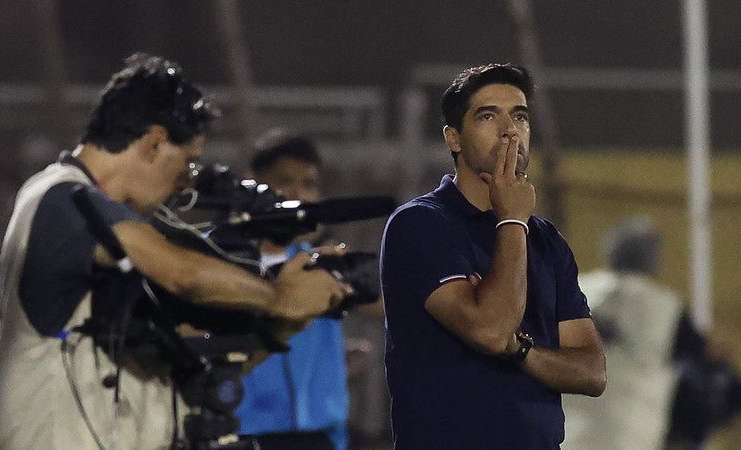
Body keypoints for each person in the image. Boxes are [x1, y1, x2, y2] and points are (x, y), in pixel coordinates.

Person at [0, 54, 351, 450]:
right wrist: (279, 296)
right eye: (188, 163)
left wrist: (284, 326)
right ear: (155, 143)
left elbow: (193, 383)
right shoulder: (59, 199)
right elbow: (186, 276)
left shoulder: (112, 250)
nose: (184, 184)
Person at [379, 63, 606, 449]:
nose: (509, 130)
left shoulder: (547, 240)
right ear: (454, 138)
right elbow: (491, 330)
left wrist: (521, 350)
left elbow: (591, 372)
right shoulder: (419, 224)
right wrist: (513, 220)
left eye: (519, 116)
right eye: (488, 116)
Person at [564, 216, 741, 449]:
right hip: (629, 439)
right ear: (653, 263)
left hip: (566, 437)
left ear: (608, 254)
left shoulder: (572, 291)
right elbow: (710, 361)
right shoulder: (664, 308)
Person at [234, 130, 349, 450]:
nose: (297, 193)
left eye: (309, 185)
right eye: (285, 181)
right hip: (239, 431)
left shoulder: (322, 260)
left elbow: (380, 303)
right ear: (252, 182)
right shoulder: (213, 254)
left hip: (316, 435)